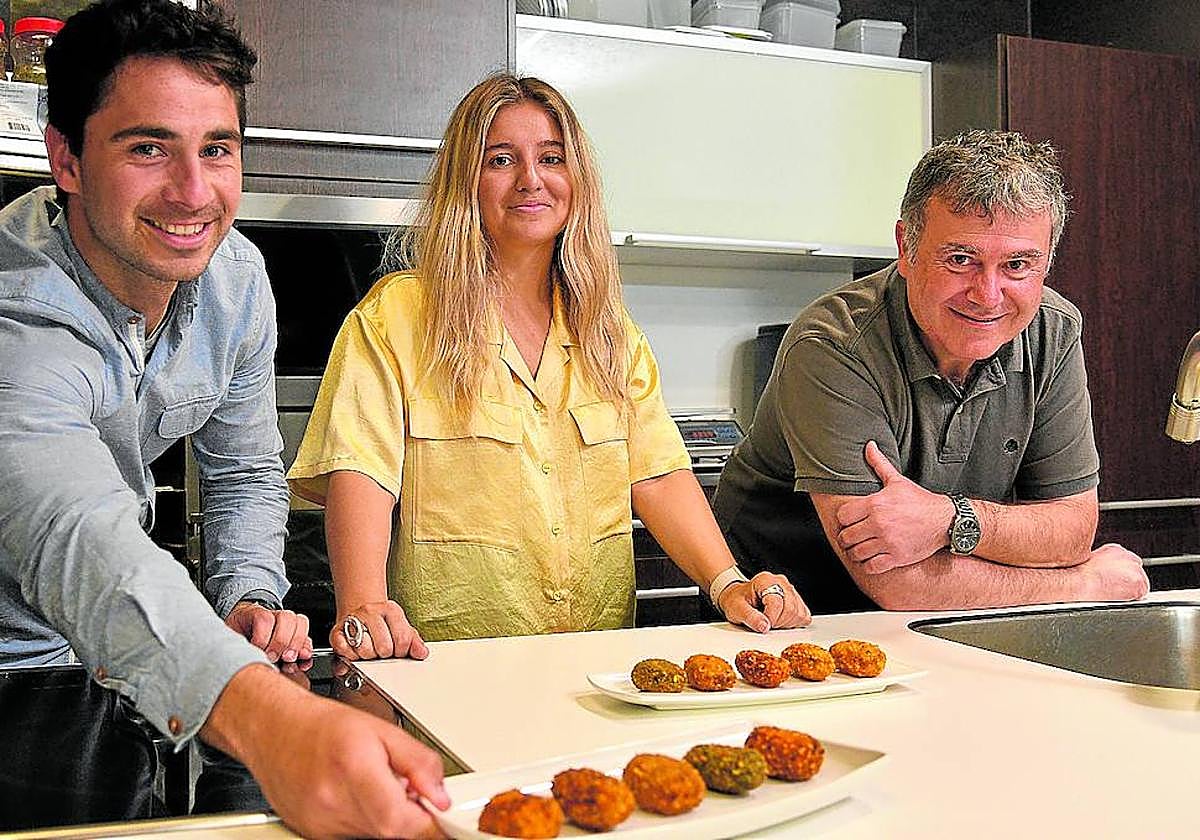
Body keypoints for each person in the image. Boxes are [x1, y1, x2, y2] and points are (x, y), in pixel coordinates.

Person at [0, 2, 447, 837]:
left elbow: (242, 472)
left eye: (217, 149)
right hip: (16, 672)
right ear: (64, 158)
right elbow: (71, 530)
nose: (193, 193)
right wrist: (270, 718)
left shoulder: (236, 281)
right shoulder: (16, 312)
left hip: (130, 660)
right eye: (147, 149)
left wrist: (247, 595)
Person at [287, 73, 811, 660]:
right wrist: (364, 603)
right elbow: (361, 473)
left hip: (596, 662)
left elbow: (658, 476)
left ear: (575, 179)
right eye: (501, 159)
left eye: (551, 158)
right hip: (447, 665)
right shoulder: (397, 318)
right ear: (467, 181)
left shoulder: (609, 331)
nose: (530, 180)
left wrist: (728, 583)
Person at [713, 130, 1150, 613]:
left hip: (949, 619)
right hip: (793, 617)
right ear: (906, 246)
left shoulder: (1053, 331)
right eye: (960, 259)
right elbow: (897, 582)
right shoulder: (834, 345)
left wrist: (949, 519)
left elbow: (1071, 530)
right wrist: (1083, 585)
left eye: (1019, 265)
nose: (988, 295)